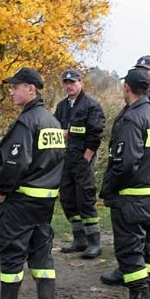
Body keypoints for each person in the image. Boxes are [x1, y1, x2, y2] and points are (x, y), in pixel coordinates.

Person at [0, 67, 65, 299]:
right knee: (43, 260)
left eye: (16, 87)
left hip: (20, 202)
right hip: (45, 205)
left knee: (12, 261)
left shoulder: (27, 122)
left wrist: (1, 190)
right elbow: (57, 162)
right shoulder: (54, 124)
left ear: (31, 89)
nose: (12, 91)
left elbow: (16, 162)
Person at [99, 68, 150, 299]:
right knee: (149, 252)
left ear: (127, 88)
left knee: (131, 255)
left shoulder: (132, 119)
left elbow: (125, 162)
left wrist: (108, 189)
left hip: (130, 200)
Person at [54, 69, 105, 259]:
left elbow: (96, 133)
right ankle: (79, 239)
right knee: (68, 199)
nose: (69, 86)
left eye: (72, 82)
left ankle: (94, 242)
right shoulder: (62, 106)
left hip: (83, 160)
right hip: (65, 161)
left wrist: (87, 157)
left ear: (80, 83)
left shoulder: (91, 106)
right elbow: (55, 128)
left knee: (85, 200)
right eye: (66, 83)